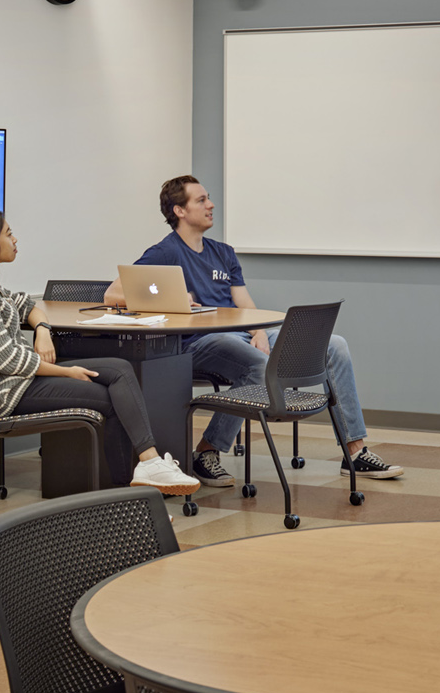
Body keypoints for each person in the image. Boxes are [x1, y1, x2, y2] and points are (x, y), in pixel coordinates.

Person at [104, 176, 404, 487]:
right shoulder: (165, 253)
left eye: (209, 198)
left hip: (240, 334)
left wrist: (259, 331)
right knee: (258, 366)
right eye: (201, 200)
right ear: (179, 211)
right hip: (200, 342)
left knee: (334, 346)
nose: (211, 205)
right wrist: (172, 299)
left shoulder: (223, 252)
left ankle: (354, 452)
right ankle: (207, 452)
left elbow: (243, 302)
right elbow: (112, 295)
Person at [0, 206, 200, 496]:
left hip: (20, 384)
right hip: (9, 395)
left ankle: (147, 466)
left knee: (119, 369)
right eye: (8, 234)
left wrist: (42, 330)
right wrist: (66, 371)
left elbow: (29, 305)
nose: (15, 239)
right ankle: (128, 494)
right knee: (113, 398)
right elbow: (8, 360)